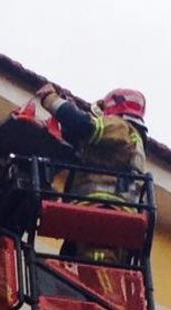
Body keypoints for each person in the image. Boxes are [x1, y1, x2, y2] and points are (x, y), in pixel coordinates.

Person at [36, 84, 149, 262]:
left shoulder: (120, 127)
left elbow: (84, 125)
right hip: (116, 218)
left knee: (88, 267)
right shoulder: (133, 142)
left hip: (101, 213)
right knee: (73, 260)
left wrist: (50, 99)